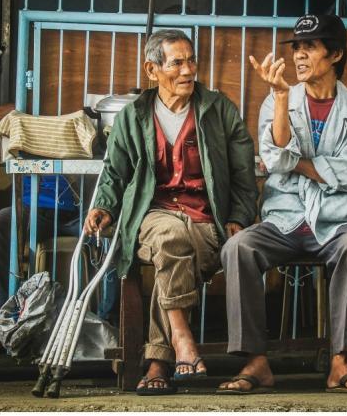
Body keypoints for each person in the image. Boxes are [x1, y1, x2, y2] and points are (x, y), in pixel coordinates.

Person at [84, 29, 257, 395]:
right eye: (177, 63)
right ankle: (182, 338)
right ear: (153, 70)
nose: (188, 70)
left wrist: (239, 216)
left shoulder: (219, 109)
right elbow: (115, 172)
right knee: (170, 235)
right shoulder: (133, 116)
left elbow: (244, 172)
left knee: (175, 251)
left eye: (191, 61)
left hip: (206, 220)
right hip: (152, 216)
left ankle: (158, 361)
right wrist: (103, 206)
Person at [217, 14, 347, 394]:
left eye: (310, 46)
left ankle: (341, 362)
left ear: (335, 54)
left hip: (335, 220)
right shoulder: (278, 100)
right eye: (296, 47)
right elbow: (274, 158)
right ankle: (255, 361)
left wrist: (297, 162)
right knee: (238, 247)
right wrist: (280, 98)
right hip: (285, 218)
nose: (299, 55)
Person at [0, 104, 82, 354]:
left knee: (113, 236)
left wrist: (71, 102)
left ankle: (106, 319)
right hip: (32, 209)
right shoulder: (29, 111)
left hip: (81, 208)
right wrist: (34, 100)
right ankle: (6, 323)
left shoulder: (79, 111)